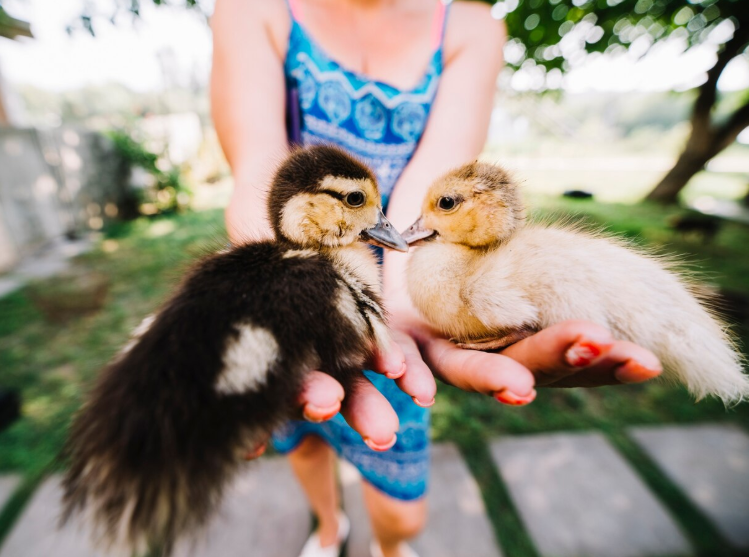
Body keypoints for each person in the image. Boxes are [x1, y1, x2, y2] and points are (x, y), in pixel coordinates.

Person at [209, 1, 663, 556]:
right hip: (296, 299)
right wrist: (277, 290)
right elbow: (262, 170)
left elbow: (429, 188)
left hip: (388, 322)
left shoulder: (469, 28)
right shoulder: (254, 9)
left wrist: (400, 295)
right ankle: (329, 530)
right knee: (303, 439)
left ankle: (389, 546)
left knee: (402, 509)